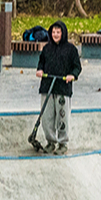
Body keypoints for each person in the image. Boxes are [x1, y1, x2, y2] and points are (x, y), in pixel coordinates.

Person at [32, 20, 82, 155]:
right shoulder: (47, 48)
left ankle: (62, 143)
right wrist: (40, 70)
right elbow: (41, 62)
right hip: (47, 87)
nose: (55, 34)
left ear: (63, 33)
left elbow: (77, 66)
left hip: (62, 88)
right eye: (53, 32)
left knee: (62, 117)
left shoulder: (71, 49)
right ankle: (50, 142)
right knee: (47, 117)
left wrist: (73, 75)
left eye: (58, 32)